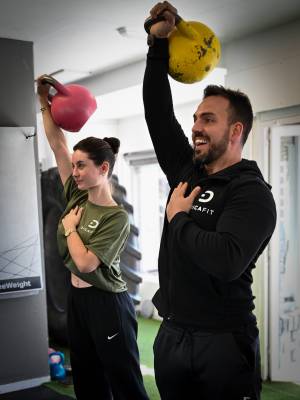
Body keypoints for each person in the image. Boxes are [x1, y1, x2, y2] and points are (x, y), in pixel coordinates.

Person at [143, 2, 277, 399]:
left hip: (222, 342)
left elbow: (226, 260)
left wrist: (179, 218)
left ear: (236, 130)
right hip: (171, 334)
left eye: (208, 120)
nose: (196, 127)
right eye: (196, 118)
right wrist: (157, 45)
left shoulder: (251, 193)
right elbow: (157, 112)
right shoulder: (187, 170)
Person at [37, 76, 149, 400]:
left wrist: (71, 228)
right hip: (78, 302)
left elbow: (86, 263)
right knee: (86, 377)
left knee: (124, 380)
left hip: (107, 302)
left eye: (81, 166)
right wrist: (44, 101)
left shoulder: (116, 216)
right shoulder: (76, 194)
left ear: (103, 168)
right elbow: (58, 143)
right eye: (73, 166)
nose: (74, 172)